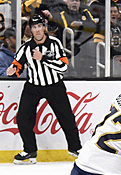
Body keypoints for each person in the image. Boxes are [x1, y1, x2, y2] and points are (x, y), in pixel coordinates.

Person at [6, 14, 82, 164]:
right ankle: (30, 150)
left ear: (44, 27)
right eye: (34, 27)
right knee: (23, 118)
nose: (38, 30)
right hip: (33, 86)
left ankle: (76, 148)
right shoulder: (26, 47)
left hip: (54, 85)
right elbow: (18, 66)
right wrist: (12, 71)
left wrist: (44, 58)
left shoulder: (55, 43)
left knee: (66, 117)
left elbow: (63, 66)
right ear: (31, 30)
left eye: (40, 26)